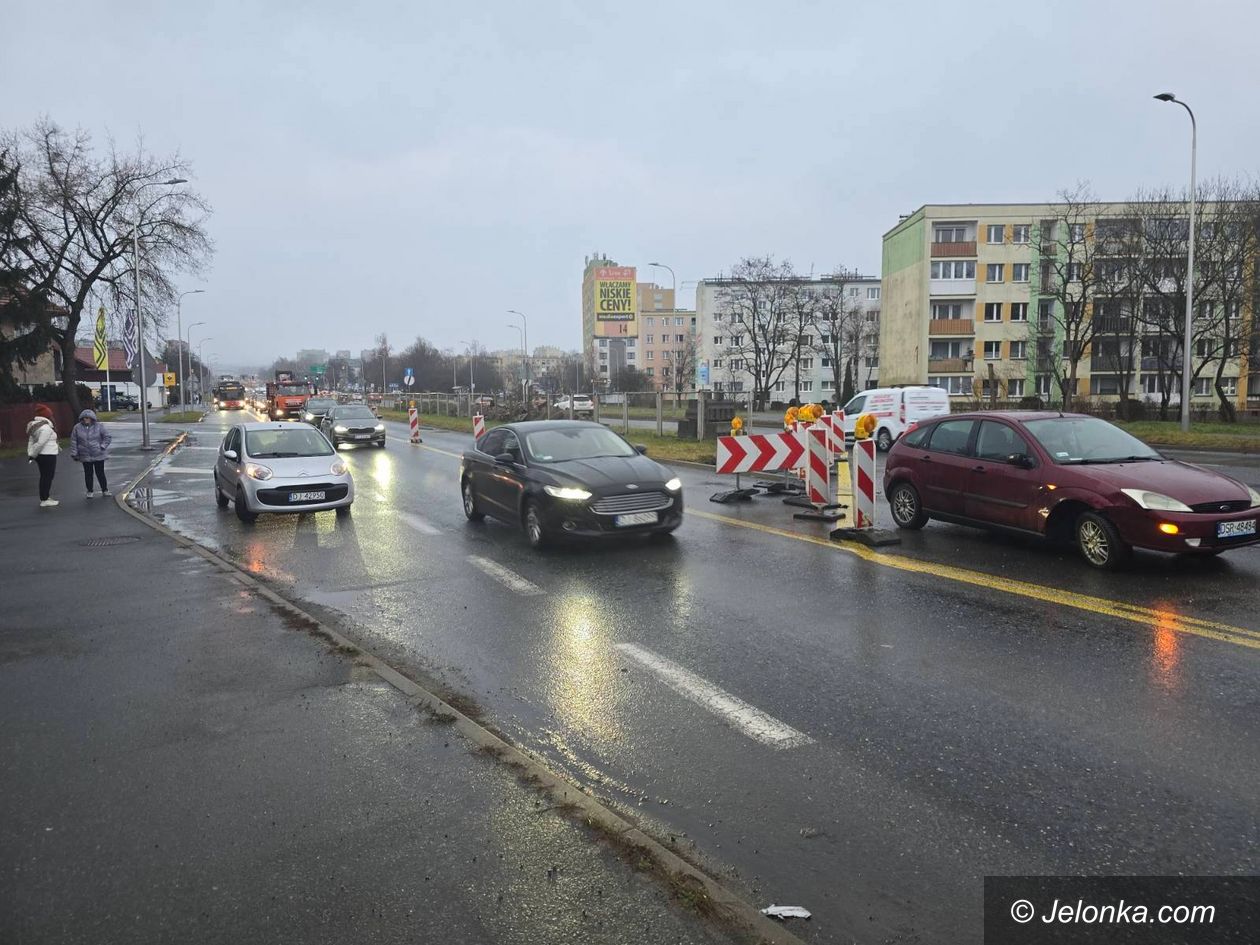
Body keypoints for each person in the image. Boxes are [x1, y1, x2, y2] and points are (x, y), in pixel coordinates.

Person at [70, 408, 113, 498]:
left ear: (92, 418)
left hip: (98, 454)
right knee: (88, 474)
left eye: (88, 418)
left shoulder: (99, 426)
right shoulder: (77, 427)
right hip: (85, 454)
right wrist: (74, 453)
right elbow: (74, 441)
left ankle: (105, 489)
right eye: (84, 418)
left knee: (100, 473)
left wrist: (102, 446)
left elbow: (107, 437)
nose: (86, 419)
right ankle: (90, 491)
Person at [26, 404, 60, 508]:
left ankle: (45, 497)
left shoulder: (36, 426)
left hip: (42, 455)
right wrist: (32, 454)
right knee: (47, 477)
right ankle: (44, 499)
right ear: (47, 415)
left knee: (45, 476)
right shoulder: (45, 428)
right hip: (47, 455)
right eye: (50, 414)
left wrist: (31, 453)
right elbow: (40, 443)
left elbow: (31, 441)